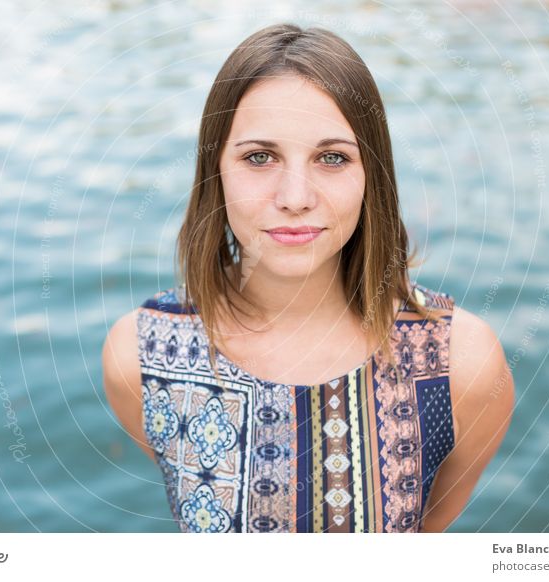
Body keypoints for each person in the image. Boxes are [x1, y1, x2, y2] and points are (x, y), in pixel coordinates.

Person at [102, 23, 514, 532]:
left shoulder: (461, 365)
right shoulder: (141, 354)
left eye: (332, 157)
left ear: (372, 175)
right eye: (259, 157)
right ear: (216, 170)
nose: (295, 196)